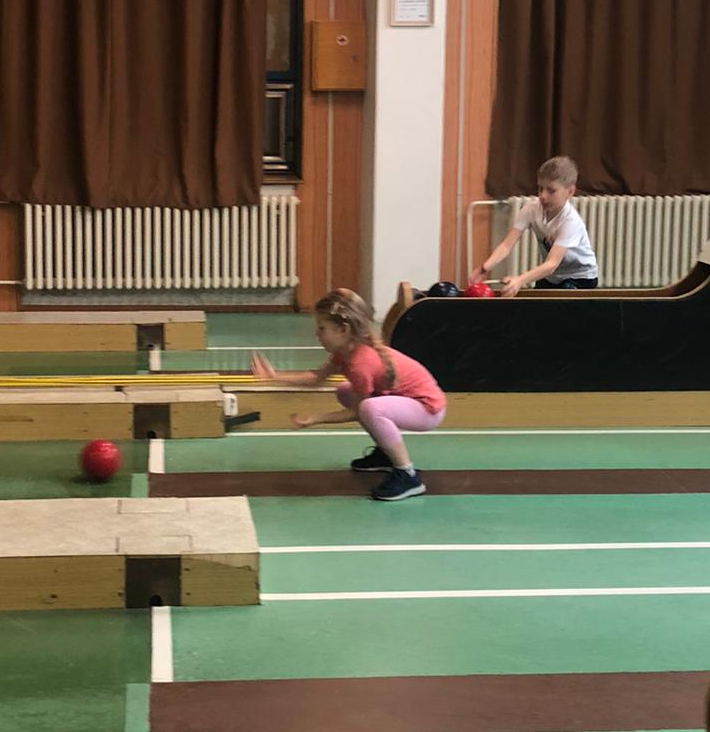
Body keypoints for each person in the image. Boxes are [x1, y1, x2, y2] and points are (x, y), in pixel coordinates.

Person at [251, 288, 445, 502]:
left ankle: (407, 474)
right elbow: (316, 377)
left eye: (322, 328)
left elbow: (358, 411)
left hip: (426, 409)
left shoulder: (361, 363)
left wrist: (315, 418)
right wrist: (274, 376)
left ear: (343, 330)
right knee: (345, 390)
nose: (317, 334)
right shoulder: (345, 353)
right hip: (408, 402)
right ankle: (385, 454)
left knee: (369, 408)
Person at [472, 155, 598, 296]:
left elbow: (551, 264)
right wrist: (484, 268)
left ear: (570, 192)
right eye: (540, 188)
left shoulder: (570, 221)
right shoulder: (531, 209)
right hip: (552, 276)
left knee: (562, 302)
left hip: (580, 277)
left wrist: (519, 280)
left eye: (551, 190)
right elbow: (506, 245)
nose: (543, 196)